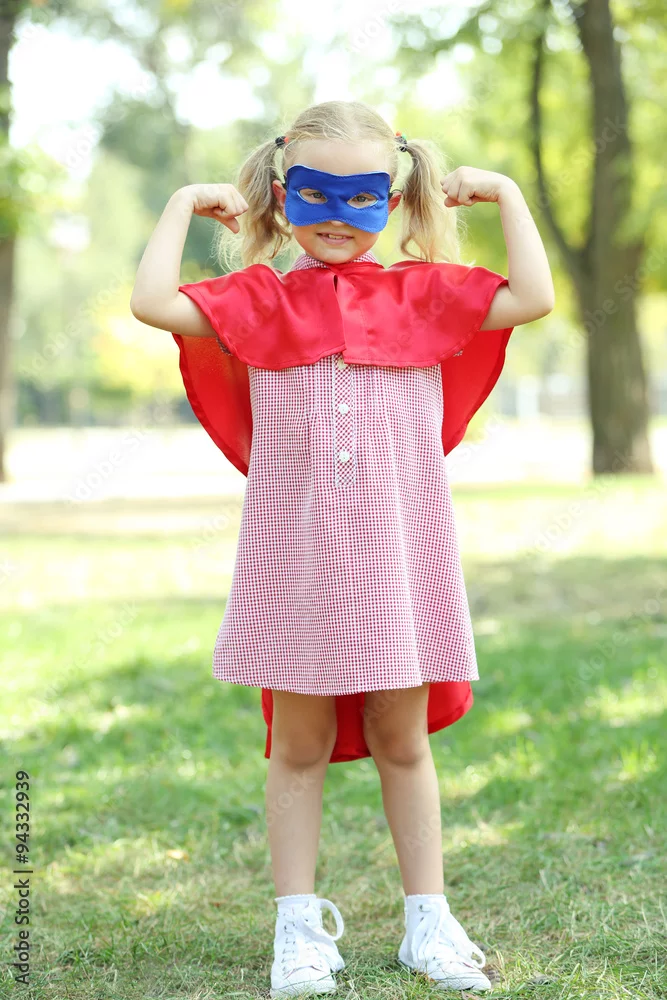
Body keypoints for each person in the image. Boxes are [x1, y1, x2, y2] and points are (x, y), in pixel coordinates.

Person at [131, 99, 554, 997]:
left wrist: (507, 194)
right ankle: (297, 929)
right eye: (314, 194)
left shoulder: (423, 294)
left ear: (392, 200)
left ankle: (427, 922)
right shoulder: (258, 301)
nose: (335, 215)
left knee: (402, 738)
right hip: (296, 558)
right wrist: (182, 203)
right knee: (299, 742)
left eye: (361, 195)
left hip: (400, 558)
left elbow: (533, 296)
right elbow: (152, 302)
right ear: (281, 195)